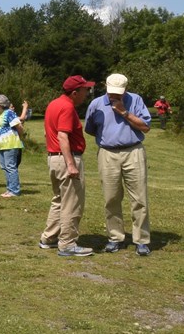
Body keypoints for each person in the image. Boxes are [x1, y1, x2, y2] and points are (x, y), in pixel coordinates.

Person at [84, 73, 152, 256]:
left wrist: (124, 112)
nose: (114, 96)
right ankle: (115, 238)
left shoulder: (136, 100)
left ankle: (142, 240)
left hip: (134, 151)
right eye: (111, 92)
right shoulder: (96, 104)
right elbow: (90, 129)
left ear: (126, 89)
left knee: (139, 198)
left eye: (119, 93)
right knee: (111, 197)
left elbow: (145, 126)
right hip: (107, 153)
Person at [40, 75, 94, 257]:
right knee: (72, 203)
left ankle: (49, 238)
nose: (87, 93)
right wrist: (71, 164)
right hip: (66, 158)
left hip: (54, 158)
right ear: (74, 92)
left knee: (59, 200)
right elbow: (63, 136)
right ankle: (68, 244)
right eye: (85, 90)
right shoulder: (67, 107)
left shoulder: (54, 104)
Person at [0, 94, 25, 197]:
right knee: (4, 167)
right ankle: (9, 189)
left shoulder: (9, 113)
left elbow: (19, 127)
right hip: (1, 145)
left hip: (10, 145)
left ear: (1, 104)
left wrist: (20, 137)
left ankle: (14, 190)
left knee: (10, 167)